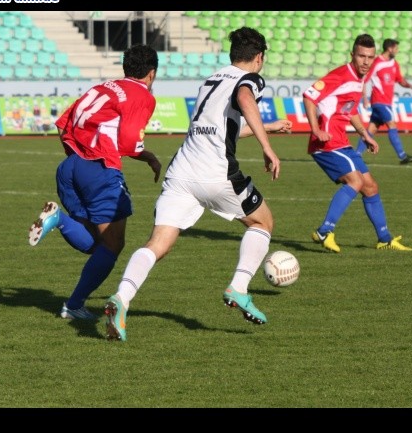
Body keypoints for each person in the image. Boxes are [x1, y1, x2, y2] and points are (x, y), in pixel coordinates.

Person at [104, 27, 285, 341]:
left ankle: (122, 298)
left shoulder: (211, 80)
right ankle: (239, 287)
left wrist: (266, 127)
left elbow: (219, 128)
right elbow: (244, 97)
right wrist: (267, 147)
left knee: (158, 243)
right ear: (258, 58)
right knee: (262, 222)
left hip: (181, 172)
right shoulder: (250, 79)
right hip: (216, 173)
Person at [27, 44, 162, 320]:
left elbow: (63, 124)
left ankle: (59, 221)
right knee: (113, 245)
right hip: (99, 169)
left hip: (70, 167)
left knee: (94, 242)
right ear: (151, 73)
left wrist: (77, 160)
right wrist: (147, 155)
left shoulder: (103, 87)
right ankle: (73, 305)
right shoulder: (142, 95)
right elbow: (128, 141)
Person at [303, 33, 412, 254]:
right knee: (355, 181)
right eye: (361, 56)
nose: (366, 61)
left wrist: (365, 134)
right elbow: (309, 96)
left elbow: (349, 110)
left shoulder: (359, 79)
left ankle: (384, 238)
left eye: (370, 57)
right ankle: (325, 230)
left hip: (341, 142)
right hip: (326, 142)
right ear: (352, 55)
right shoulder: (341, 75)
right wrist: (316, 130)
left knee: (370, 186)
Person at [356, 38, 412, 164]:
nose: (397, 51)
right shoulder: (376, 62)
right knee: (392, 125)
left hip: (386, 102)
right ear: (390, 48)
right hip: (380, 101)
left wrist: (410, 86)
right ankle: (402, 156)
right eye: (396, 48)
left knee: (371, 130)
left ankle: (356, 154)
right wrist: (364, 98)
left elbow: (400, 80)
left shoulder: (394, 64)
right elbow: (364, 79)